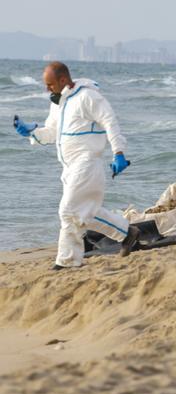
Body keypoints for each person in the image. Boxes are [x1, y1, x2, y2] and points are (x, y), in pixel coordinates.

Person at [13, 62, 138, 270]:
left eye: (50, 84)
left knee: (68, 210)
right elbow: (52, 133)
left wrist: (118, 152)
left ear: (63, 80)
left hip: (87, 162)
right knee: (84, 212)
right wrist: (32, 132)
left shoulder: (88, 97)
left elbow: (110, 122)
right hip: (69, 167)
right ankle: (127, 233)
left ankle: (67, 261)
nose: (47, 89)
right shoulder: (58, 103)